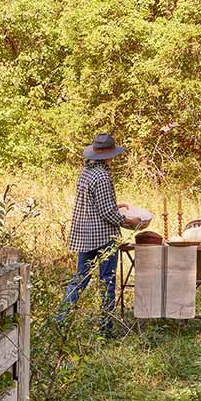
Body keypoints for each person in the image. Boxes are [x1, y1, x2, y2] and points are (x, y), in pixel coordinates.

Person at [58, 132, 142, 335]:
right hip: (103, 237)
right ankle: (106, 328)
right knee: (108, 281)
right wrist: (130, 221)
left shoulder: (86, 172)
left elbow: (94, 203)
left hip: (85, 235)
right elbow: (107, 213)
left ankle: (60, 321)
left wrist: (116, 205)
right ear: (107, 156)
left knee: (80, 278)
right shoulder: (103, 176)